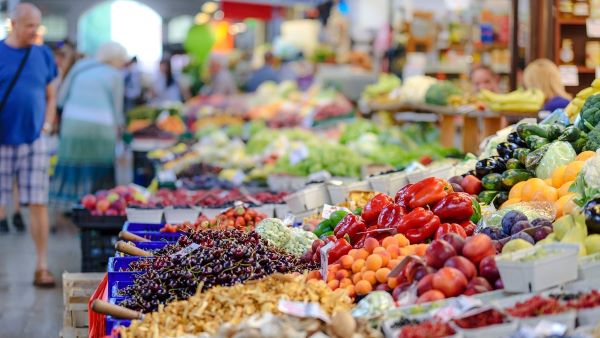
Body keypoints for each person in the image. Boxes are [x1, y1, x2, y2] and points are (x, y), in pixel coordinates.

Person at [0, 3, 58, 286]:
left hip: (35, 139)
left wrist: (46, 126)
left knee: (38, 202)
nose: (34, 31)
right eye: (29, 26)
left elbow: (51, 94)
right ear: (13, 23)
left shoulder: (43, 54)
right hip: (2, 141)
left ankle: (42, 265)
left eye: (37, 25)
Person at [50, 42, 127, 212]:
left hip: (72, 125)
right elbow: (117, 109)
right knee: (100, 167)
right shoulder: (115, 75)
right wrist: (120, 131)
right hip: (102, 127)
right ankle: (98, 206)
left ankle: (69, 204)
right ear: (114, 59)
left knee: (73, 162)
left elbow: (62, 98)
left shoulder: (80, 66)